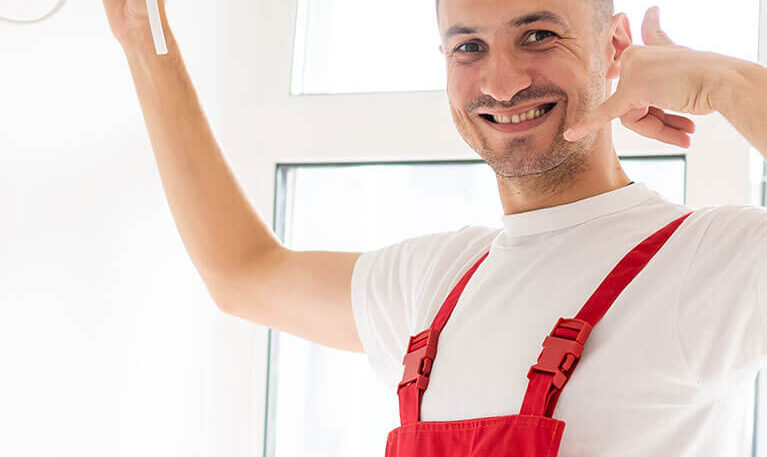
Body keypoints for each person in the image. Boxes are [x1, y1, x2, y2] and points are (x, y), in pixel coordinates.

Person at [101, 0, 767, 454]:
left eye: (538, 35)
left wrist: (728, 83)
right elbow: (242, 273)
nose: (501, 81)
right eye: (468, 47)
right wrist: (142, 41)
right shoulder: (437, 284)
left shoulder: (707, 261)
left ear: (614, 47)